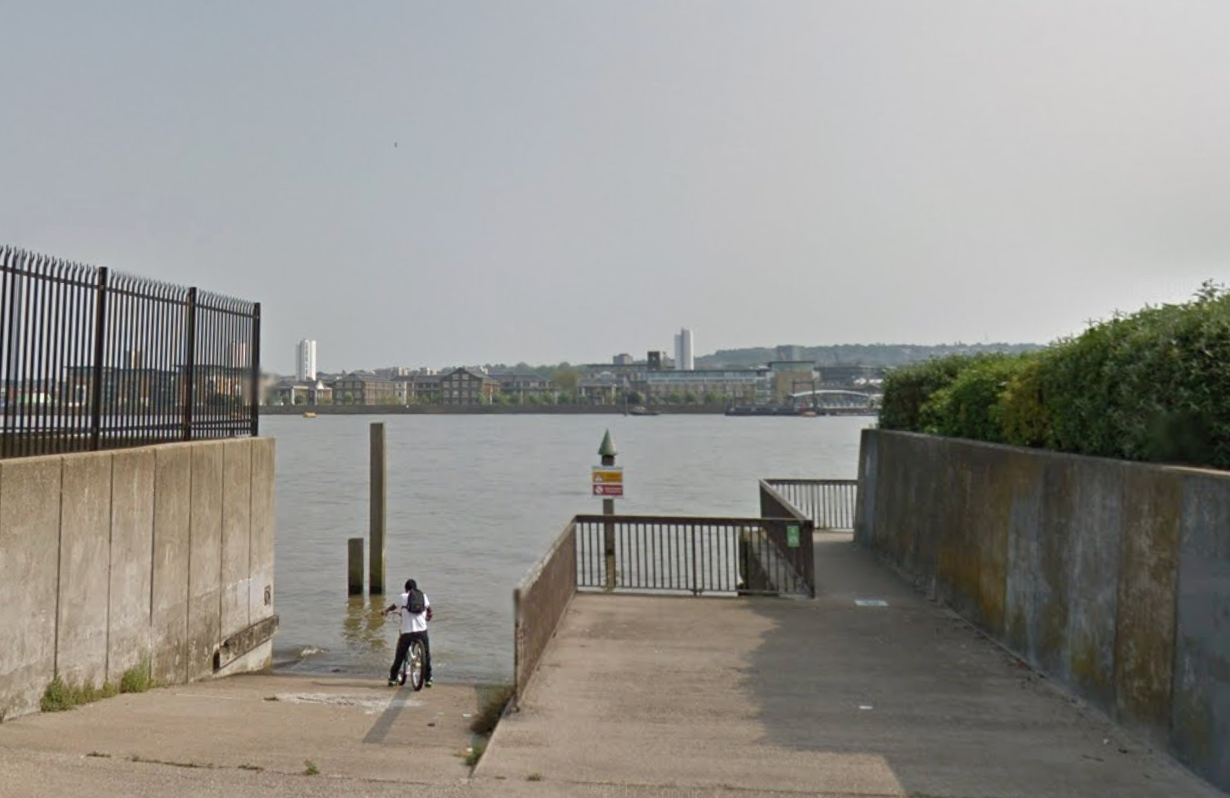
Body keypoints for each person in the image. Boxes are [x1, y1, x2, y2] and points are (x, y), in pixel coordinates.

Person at [383, 578, 433, 687]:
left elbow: (393, 607)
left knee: (399, 656)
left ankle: (393, 678)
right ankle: (428, 679)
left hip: (407, 633)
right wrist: (428, 616)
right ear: (416, 588)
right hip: (422, 631)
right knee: (427, 654)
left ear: (406, 589)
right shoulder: (423, 596)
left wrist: (386, 611)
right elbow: (430, 610)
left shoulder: (403, 597)